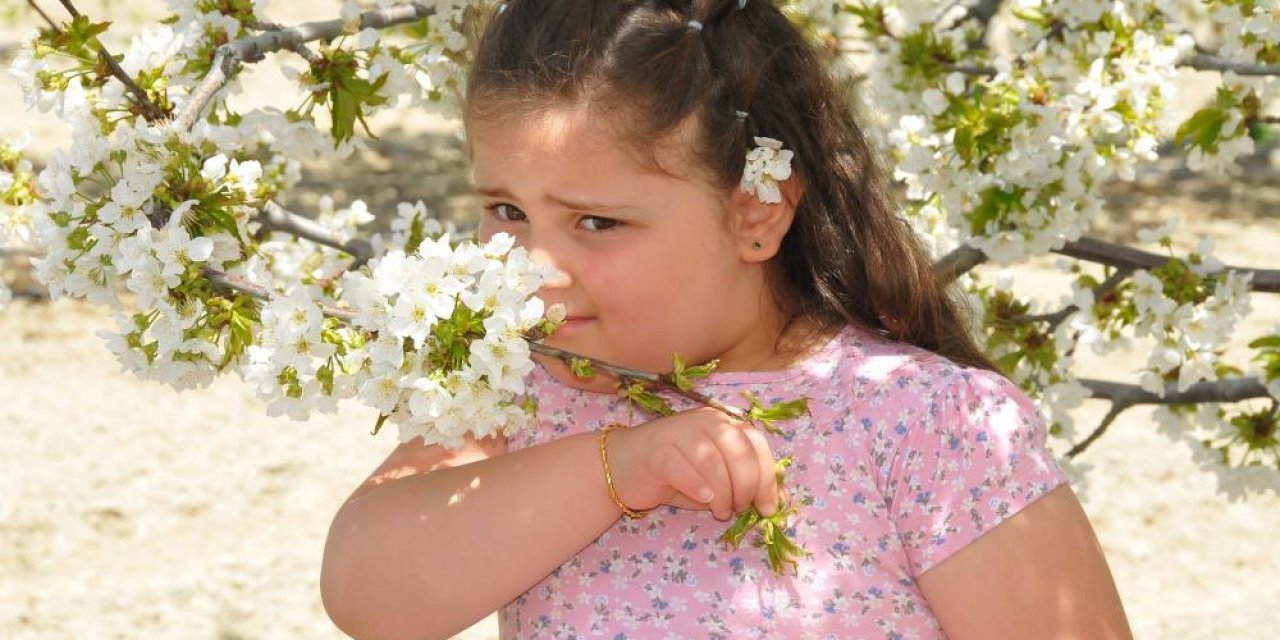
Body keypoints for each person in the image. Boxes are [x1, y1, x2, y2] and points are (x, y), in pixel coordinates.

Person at [320, 1, 1133, 638]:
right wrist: (619, 468)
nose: (532, 270)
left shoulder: (926, 424)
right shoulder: (516, 398)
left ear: (756, 211)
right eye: (505, 209)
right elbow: (370, 595)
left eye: (596, 223)